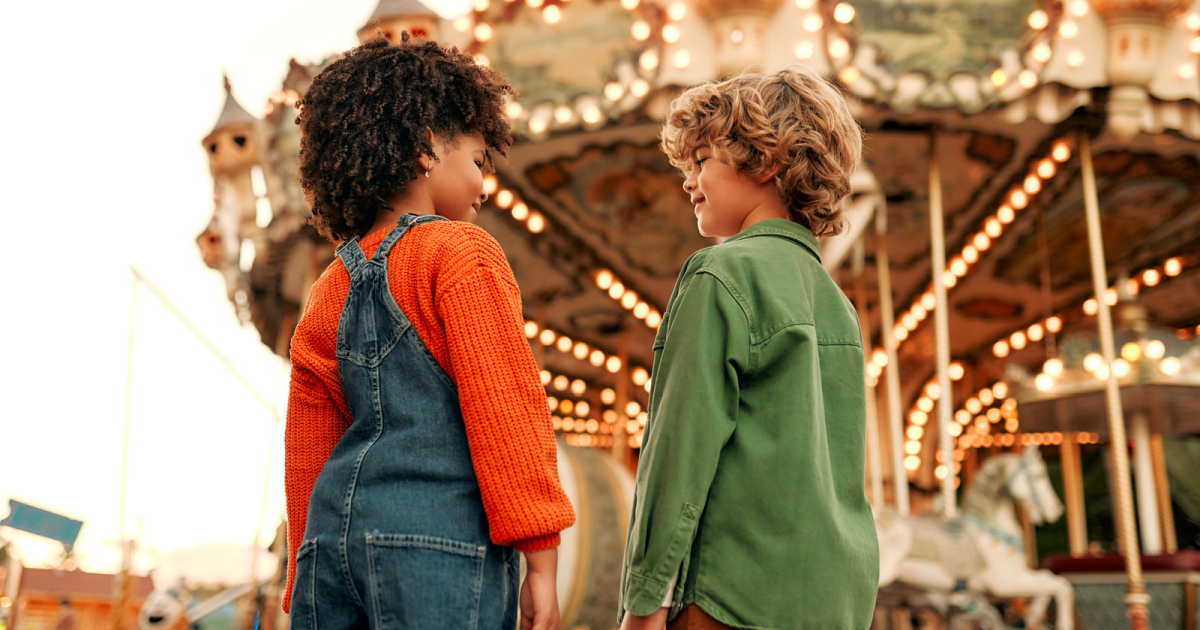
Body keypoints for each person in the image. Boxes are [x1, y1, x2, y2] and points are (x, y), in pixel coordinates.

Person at [283, 34, 575, 630]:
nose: (484, 185)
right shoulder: (459, 252)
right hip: (435, 538)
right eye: (477, 160)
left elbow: (308, 444)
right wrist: (540, 556)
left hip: (327, 547)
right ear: (425, 148)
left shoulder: (327, 288)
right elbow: (504, 408)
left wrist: (302, 566)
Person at [618, 67, 880, 630]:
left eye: (702, 161)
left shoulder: (721, 272)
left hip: (731, 596)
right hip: (834, 598)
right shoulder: (837, 305)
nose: (689, 182)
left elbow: (679, 450)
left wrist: (644, 601)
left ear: (767, 160)